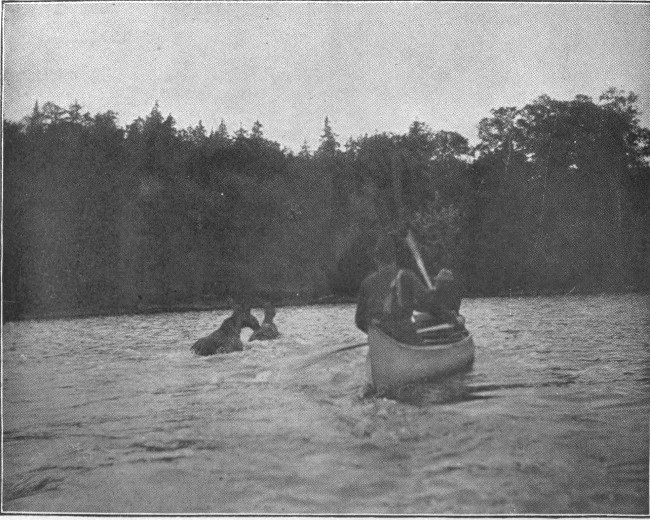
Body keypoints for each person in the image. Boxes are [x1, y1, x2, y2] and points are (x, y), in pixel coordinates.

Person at [355, 233, 429, 344]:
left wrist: (376, 333)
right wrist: (448, 316)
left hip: (379, 338)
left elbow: (359, 321)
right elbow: (428, 303)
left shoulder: (366, 283)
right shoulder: (407, 276)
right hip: (406, 337)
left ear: (376, 258)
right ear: (395, 256)